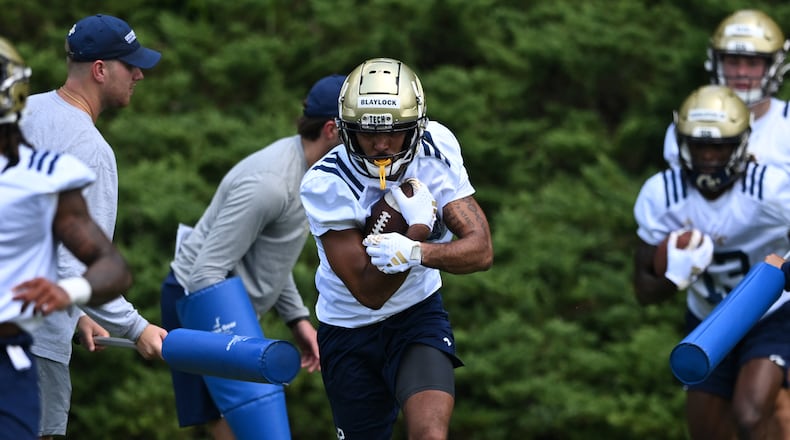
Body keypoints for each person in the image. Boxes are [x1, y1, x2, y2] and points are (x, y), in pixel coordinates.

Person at [300, 57, 494, 439]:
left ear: (417, 127)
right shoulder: (325, 183)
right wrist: (418, 227)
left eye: (395, 131)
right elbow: (369, 291)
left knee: (430, 434)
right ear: (342, 129)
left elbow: (481, 250)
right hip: (349, 329)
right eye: (367, 132)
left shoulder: (435, 146)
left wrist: (416, 250)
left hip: (416, 314)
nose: (381, 144)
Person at [160, 74, 344, 439]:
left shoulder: (309, 175)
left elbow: (270, 256)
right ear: (331, 130)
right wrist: (230, 342)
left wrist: (297, 320)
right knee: (250, 423)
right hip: (194, 299)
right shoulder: (270, 184)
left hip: (216, 297)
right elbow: (204, 274)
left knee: (240, 424)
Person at [17, 14, 168, 439]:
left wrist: (77, 312)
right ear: (100, 70)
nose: (139, 74)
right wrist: (137, 328)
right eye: (130, 64)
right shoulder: (91, 152)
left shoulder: (21, 112)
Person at [633, 84, 790, 439]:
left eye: (719, 145)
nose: (708, 156)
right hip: (708, 318)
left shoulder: (771, 189)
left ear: (742, 143)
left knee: (750, 413)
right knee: (707, 431)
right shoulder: (662, 194)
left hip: (771, 313)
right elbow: (643, 290)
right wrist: (673, 277)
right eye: (699, 145)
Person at [0, 35, 132, 440]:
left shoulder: (41, 173)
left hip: (18, 352)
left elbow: (108, 267)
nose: (139, 75)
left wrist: (71, 298)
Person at [663, 9, 790, 169]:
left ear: (773, 66)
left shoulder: (787, 124)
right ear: (718, 63)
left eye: (752, 63)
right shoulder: (692, 121)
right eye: (733, 61)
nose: (741, 72)